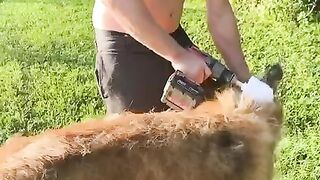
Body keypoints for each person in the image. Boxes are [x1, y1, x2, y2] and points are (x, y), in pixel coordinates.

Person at [92, 0, 252, 115]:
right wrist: (177, 55)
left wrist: (243, 77)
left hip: (174, 38)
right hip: (126, 44)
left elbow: (219, 11)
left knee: (204, 139)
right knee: (138, 148)